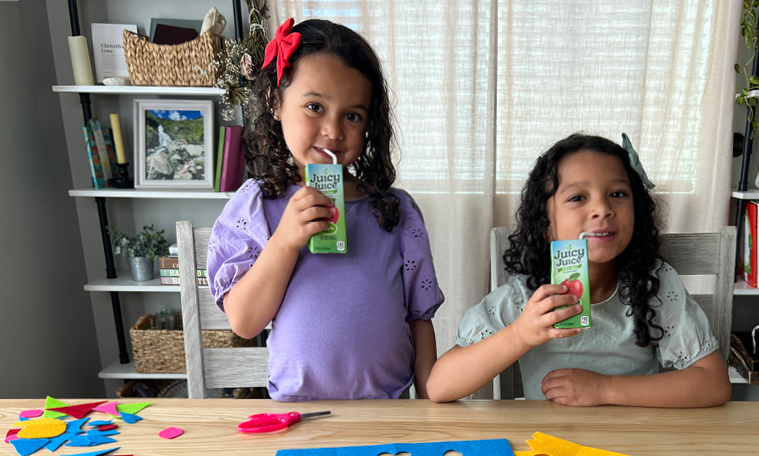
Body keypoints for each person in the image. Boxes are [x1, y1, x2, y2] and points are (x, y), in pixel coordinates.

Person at [208, 18, 443, 401]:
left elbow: (419, 317)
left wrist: (430, 403)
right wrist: (284, 241)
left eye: (352, 115)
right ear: (276, 102)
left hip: (391, 412)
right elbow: (245, 322)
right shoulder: (257, 204)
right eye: (315, 106)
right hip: (299, 415)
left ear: (370, 124)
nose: (333, 130)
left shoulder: (395, 210)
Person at [427, 133, 731, 407]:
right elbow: (440, 386)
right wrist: (520, 334)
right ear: (546, 226)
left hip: (639, 443)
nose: (602, 209)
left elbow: (714, 385)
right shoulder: (526, 298)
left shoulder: (653, 283)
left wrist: (605, 389)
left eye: (617, 194)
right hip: (549, 445)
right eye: (577, 198)